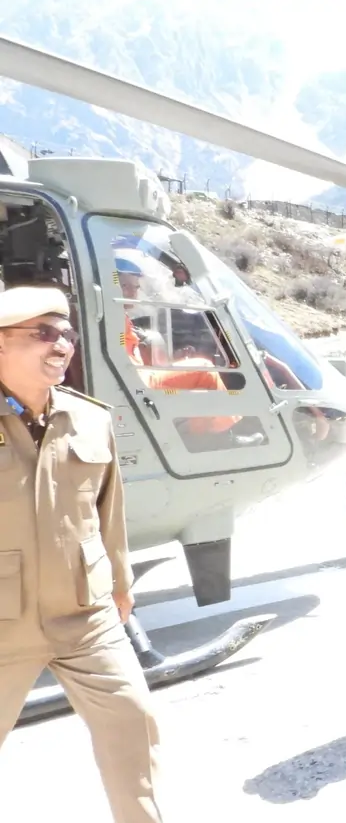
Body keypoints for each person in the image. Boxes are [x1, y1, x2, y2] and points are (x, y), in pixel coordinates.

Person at [0, 285, 165, 823]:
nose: (62, 344)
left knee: (134, 725)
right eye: (43, 334)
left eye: (66, 333)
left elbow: (107, 511)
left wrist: (121, 585)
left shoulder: (90, 418)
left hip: (85, 614)